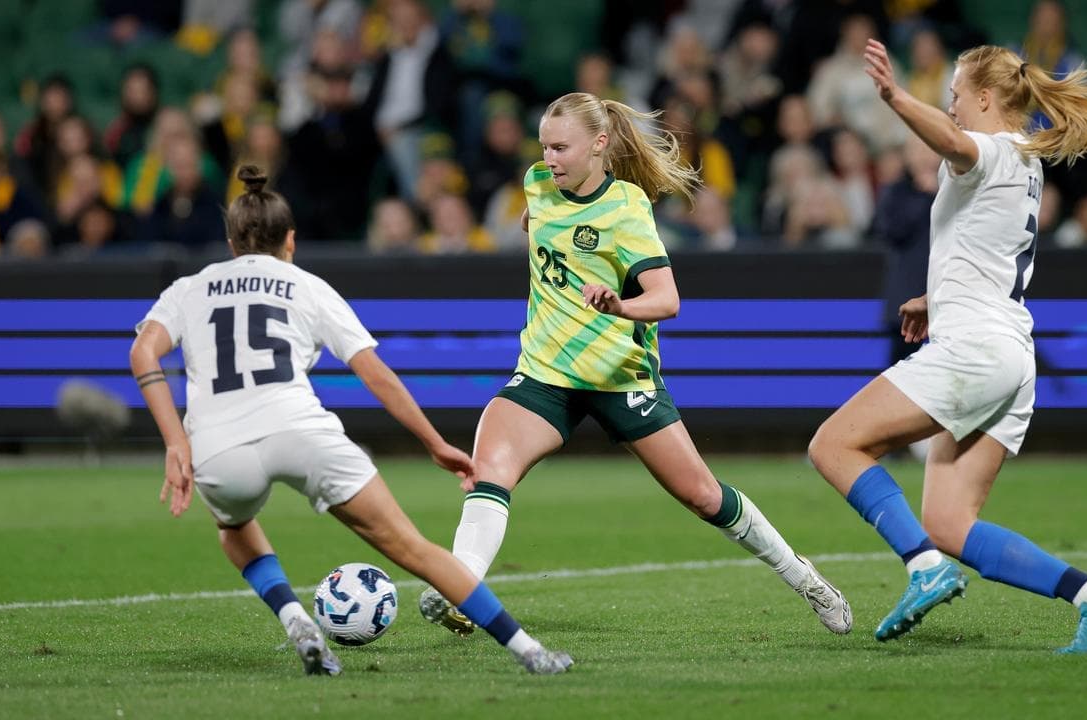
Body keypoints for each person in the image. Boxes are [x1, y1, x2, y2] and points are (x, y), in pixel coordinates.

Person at [417, 92, 852, 638]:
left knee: (703, 495)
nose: (548, 158)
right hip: (547, 372)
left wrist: (619, 306)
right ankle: (462, 590)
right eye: (544, 146)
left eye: (560, 148)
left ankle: (805, 578)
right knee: (488, 470)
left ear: (599, 144)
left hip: (620, 375)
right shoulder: (537, 184)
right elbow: (538, 224)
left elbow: (667, 300)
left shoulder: (627, 209)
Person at [129, 165, 572, 676]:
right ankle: (529, 651)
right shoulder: (306, 286)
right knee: (413, 548)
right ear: (290, 240)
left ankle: (295, 618)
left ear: (231, 243)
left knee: (234, 527)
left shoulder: (189, 288)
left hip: (217, 445)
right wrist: (432, 442)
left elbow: (143, 353)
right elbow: (374, 374)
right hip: (300, 430)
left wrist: (175, 442)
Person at [806, 40, 1087, 654]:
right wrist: (935, 298)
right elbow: (987, 250)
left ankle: (923, 569)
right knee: (948, 523)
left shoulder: (992, 150)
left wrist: (895, 97)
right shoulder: (1025, 162)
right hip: (1009, 352)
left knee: (833, 444)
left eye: (956, 94)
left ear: (985, 98)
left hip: (976, 351)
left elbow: (956, 143)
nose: (951, 105)